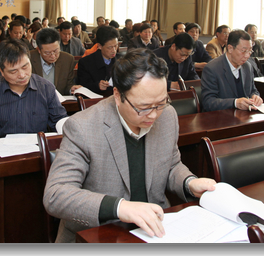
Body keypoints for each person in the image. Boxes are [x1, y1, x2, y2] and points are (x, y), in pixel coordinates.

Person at [43, 49, 217, 242]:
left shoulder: (167, 116)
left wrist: (189, 183)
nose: (154, 115)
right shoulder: (83, 127)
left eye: (161, 103)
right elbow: (56, 194)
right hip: (98, 234)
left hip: (154, 230)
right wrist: (120, 207)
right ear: (118, 95)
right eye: (143, 107)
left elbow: (171, 165)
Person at [0, 39, 68, 150]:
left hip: (38, 153)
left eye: (25, 67)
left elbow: (60, 121)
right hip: (1, 154)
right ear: (1, 71)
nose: (22, 75)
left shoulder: (46, 88)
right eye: (13, 71)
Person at [200, 29, 263, 112]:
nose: (247, 55)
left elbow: (253, 90)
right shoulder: (212, 68)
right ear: (230, 48)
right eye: (244, 51)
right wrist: (235, 103)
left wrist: (255, 97)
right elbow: (208, 102)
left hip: (244, 116)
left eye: (250, 51)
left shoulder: (247, 66)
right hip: (221, 117)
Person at [29, 27, 81, 96]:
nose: (53, 56)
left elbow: (68, 85)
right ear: (39, 50)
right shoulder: (28, 59)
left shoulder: (67, 60)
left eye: (56, 51)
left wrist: (71, 89)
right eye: (47, 53)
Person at [77, 26, 119, 94]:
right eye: (110, 47)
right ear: (99, 46)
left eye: (116, 46)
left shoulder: (121, 61)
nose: (114, 50)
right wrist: (97, 86)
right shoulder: (86, 63)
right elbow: (82, 86)